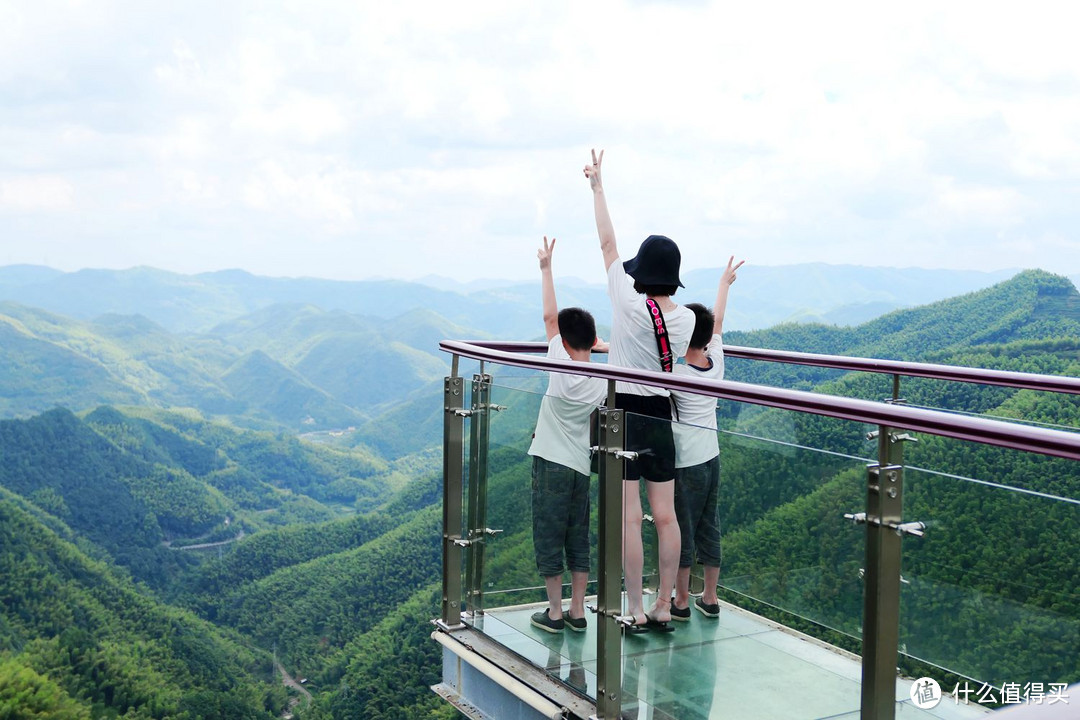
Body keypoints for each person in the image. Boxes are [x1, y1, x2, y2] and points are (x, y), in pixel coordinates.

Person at [584, 149, 695, 633]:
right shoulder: (688, 319)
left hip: (623, 414)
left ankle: (631, 607)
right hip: (662, 416)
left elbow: (607, 242)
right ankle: (664, 604)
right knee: (666, 518)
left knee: (630, 518)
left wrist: (597, 186)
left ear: (641, 273)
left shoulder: (627, 302)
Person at [527, 236, 607, 633]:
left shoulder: (559, 365)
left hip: (550, 463)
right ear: (593, 341)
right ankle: (578, 611)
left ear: (564, 341)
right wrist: (604, 346)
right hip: (580, 465)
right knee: (578, 536)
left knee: (548, 534)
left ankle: (554, 613)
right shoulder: (605, 378)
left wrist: (546, 268)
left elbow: (548, 317)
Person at [669, 256, 744, 622]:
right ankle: (710, 598)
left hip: (685, 461)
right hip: (713, 456)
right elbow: (719, 324)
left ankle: (680, 600)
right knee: (708, 523)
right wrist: (724, 285)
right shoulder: (716, 363)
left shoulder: (677, 373)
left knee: (683, 528)